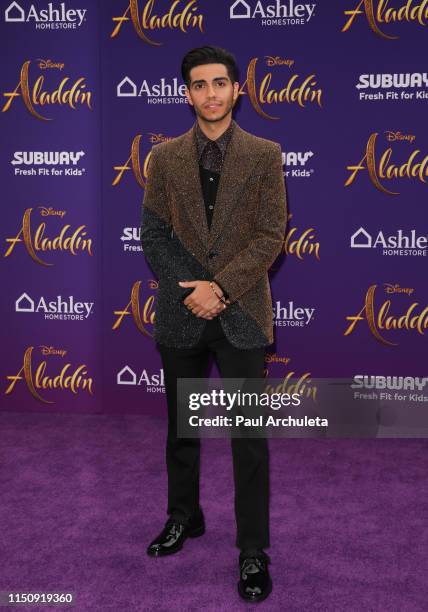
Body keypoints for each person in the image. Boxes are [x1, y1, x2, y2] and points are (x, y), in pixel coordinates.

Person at [140, 45, 287, 603]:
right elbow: (154, 234)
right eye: (198, 85)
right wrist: (194, 291)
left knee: (248, 438)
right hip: (181, 314)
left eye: (219, 83)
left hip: (242, 312)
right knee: (181, 430)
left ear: (236, 89)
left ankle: (252, 549)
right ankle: (185, 516)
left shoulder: (265, 154)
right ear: (187, 93)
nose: (210, 94)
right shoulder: (166, 156)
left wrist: (221, 289)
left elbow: (270, 236)